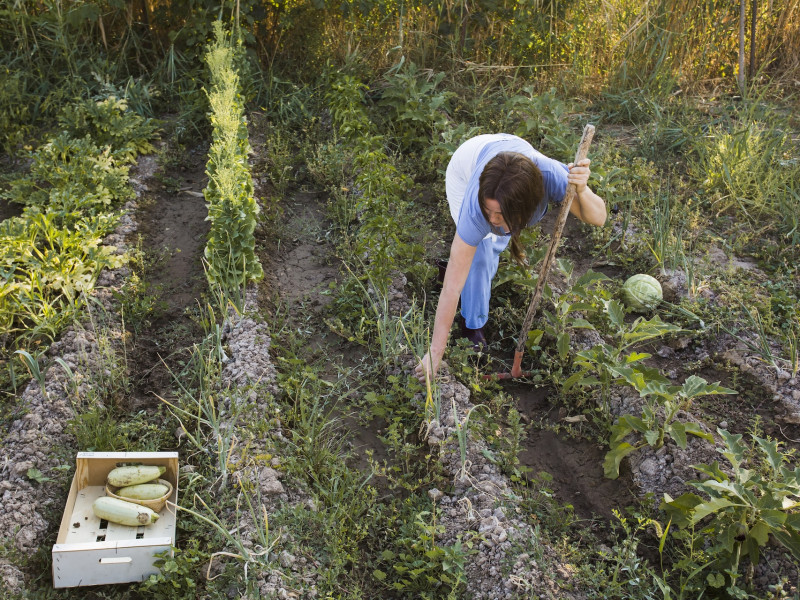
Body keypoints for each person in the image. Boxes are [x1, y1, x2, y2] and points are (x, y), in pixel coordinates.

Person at [415, 133, 606, 383]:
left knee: (494, 241)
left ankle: (467, 269)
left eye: (500, 214)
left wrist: (582, 189)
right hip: (467, 165)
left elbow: (599, 217)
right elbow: (452, 287)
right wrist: (434, 352)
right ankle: (472, 327)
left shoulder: (551, 178)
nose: (492, 220)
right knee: (480, 254)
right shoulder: (475, 207)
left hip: (514, 158)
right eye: (489, 211)